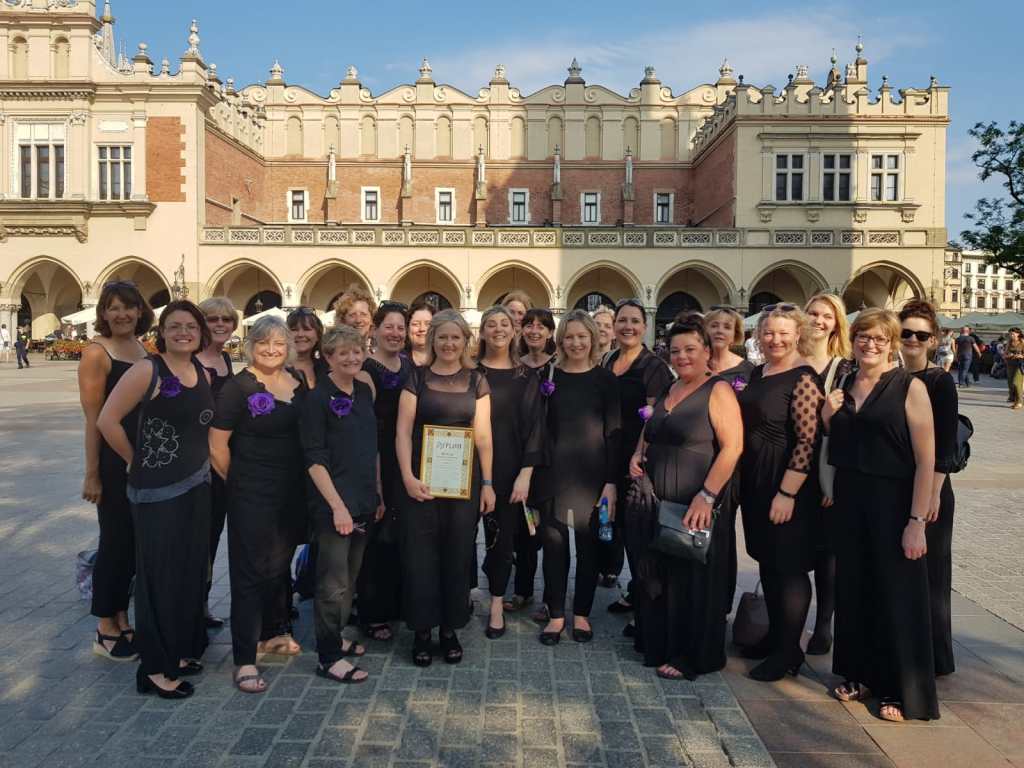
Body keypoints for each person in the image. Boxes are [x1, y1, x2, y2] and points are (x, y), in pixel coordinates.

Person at [824, 309, 939, 722]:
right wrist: (827, 416)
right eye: (863, 337)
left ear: (891, 344)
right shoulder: (844, 383)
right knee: (854, 590)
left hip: (894, 503)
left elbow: (926, 460)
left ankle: (899, 688)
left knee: (897, 595)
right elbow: (837, 440)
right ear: (852, 340)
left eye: (879, 338)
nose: (870, 344)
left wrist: (916, 522)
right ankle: (858, 674)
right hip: (851, 501)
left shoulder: (910, 387)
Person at [96, 300, 214, 699]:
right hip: (157, 491)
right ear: (161, 332)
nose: (184, 332)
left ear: (200, 333)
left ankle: (177, 651)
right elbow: (107, 420)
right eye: (175, 326)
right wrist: (133, 459)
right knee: (159, 579)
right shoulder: (148, 369)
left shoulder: (200, 371)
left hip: (197, 486)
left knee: (188, 573)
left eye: (191, 326)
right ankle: (155, 670)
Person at [629, 320, 743, 680]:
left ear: (707, 351)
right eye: (675, 350)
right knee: (662, 572)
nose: (682, 356)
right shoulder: (671, 386)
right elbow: (651, 426)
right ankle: (661, 642)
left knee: (690, 578)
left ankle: (691, 654)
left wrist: (706, 496)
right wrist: (638, 453)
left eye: (690, 349)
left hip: (694, 498)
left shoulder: (718, 390)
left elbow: (733, 447)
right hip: (659, 498)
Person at [209, 316, 308, 694]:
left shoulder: (296, 380)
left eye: (279, 344)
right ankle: (244, 658)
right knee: (249, 573)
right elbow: (217, 445)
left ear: (289, 348)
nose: (271, 349)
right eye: (263, 342)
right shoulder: (238, 387)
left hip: (291, 493)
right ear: (251, 346)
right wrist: (239, 485)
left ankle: (270, 635)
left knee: (277, 567)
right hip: (251, 493)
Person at [396, 309, 496, 666]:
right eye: (442, 337)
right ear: (432, 340)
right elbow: (402, 432)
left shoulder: (477, 381)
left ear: (465, 340)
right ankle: (422, 631)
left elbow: (483, 437)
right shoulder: (416, 378)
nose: (449, 343)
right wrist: (407, 477)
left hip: (463, 485)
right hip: (421, 484)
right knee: (420, 556)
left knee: (457, 554)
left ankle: (450, 629)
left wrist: (488, 483)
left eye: (455, 337)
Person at [736, 303, 823, 681]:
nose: (775, 339)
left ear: (798, 334)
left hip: (786, 484)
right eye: (769, 332)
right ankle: (776, 637)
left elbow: (807, 441)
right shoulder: (760, 372)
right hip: (757, 480)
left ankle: (788, 652)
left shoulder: (804, 377)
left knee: (788, 567)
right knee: (768, 562)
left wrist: (787, 493)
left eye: (784, 333)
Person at [531, 310, 621, 645]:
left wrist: (611, 483)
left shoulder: (605, 380)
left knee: (589, 549)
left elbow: (614, 434)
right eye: (569, 337)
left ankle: (581, 613)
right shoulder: (548, 376)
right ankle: (556, 615)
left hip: (592, 480)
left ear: (593, 339)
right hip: (551, 475)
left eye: (582, 336)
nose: (576, 343)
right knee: (554, 548)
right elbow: (536, 426)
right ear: (561, 341)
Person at [302, 325, 383, 684]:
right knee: (332, 582)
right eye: (343, 353)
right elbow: (313, 459)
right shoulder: (317, 398)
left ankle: (336, 637)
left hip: (364, 498)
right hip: (334, 504)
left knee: (351, 577)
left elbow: (371, 446)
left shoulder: (363, 390)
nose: (352, 357)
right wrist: (337, 506)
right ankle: (328, 656)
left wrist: (377, 491)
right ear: (328, 357)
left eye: (357, 350)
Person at [78, 281, 153, 661]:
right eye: (114, 307)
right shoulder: (97, 353)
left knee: (132, 543)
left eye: (129, 306)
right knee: (114, 542)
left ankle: (123, 619)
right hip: (112, 461)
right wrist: (92, 473)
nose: (122, 314)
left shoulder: (143, 349)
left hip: (140, 459)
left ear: (140, 311)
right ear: (103, 313)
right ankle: (105, 627)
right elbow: (93, 419)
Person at [604, 299, 674, 625]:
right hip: (610, 454)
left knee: (640, 533)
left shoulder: (653, 366)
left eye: (634, 321)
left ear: (645, 327)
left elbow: (654, 416)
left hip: (637, 460)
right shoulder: (609, 359)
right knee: (621, 528)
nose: (628, 326)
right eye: (622, 320)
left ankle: (647, 608)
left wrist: (639, 453)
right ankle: (635, 591)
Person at [899, 301, 960, 676]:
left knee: (931, 573)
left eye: (921, 335)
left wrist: (933, 493)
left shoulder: (940, 381)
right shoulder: (892, 377)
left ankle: (936, 656)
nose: (912, 340)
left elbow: (946, 447)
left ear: (933, 340)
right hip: (897, 484)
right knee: (904, 570)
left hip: (932, 487)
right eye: (906, 332)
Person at [476, 306, 545, 637]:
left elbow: (535, 428)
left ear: (513, 330)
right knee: (460, 538)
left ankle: (495, 604)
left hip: (508, 469)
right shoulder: (470, 371)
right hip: (468, 468)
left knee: (500, 540)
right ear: (482, 332)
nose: (498, 329)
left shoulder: (525, 376)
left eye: (504, 323)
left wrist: (525, 474)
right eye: (491, 324)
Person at [357, 303, 415, 641]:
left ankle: (396, 603)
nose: (395, 333)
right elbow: (365, 429)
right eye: (389, 327)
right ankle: (373, 612)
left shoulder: (408, 365)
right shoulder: (366, 370)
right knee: (376, 537)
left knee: (400, 534)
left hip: (405, 458)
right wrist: (376, 483)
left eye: (400, 328)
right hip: (378, 459)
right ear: (374, 330)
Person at [802, 294, 854, 656]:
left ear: (837, 324)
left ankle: (823, 625)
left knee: (826, 553)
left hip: (825, 471)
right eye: (813, 313)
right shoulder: (792, 361)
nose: (819, 320)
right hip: (790, 468)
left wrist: (830, 481)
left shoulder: (845, 368)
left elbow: (850, 426)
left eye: (827, 316)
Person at [703, 307, 754, 615]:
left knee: (722, 533)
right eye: (714, 325)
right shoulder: (697, 363)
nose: (720, 330)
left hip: (730, 461)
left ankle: (719, 603)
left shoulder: (748, 371)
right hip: (698, 458)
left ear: (735, 333)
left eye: (726, 326)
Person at [196, 296, 239, 629]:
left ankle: (202, 604)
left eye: (226, 319)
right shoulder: (194, 361)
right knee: (198, 539)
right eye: (213, 319)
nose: (221, 324)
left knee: (211, 538)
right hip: (199, 465)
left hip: (223, 462)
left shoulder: (224, 359)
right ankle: (191, 606)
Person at [287, 307, 328, 389]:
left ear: (318, 335)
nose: (300, 334)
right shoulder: (278, 368)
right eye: (294, 329)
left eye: (307, 329)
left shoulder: (327, 367)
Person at [407, 301, 436, 367]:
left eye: (428, 324)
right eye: (415, 324)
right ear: (407, 328)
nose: (422, 329)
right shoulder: (396, 360)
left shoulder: (445, 359)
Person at [1005, 328, 1024, 410]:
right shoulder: (1009, 342)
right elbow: (1005, 354)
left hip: (1020, 365)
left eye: (1012, 334)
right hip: (1010, 364)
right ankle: (1015, 401)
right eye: (1010, 334)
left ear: (1018, 334)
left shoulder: (1022, 342)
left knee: (1016, 382)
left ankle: (1020, 402)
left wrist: (1020, 356)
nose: (1011, 335)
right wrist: (1008, 355)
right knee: (1011, 384)